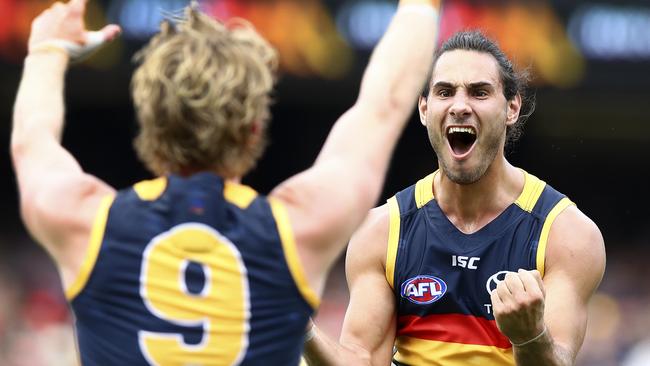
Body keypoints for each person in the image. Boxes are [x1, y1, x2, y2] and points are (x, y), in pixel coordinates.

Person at [10, 0, 441, 364]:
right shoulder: (298, 228)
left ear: (149, 119)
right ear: (254, 126)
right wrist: (421, 6)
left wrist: (47, 51)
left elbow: (32, 141)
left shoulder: (86, 222)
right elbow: (383, 104)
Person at [304, 30, 606, 366]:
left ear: (512, 107)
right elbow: (362, 360)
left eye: (479, 92)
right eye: (445, 92)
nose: (460, 106)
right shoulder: (381, 231)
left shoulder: (568, 235)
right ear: (423, 109)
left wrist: (529, 335)